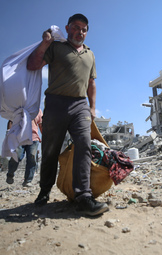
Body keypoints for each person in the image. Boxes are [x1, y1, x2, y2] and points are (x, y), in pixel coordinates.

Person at [27, 14, 108, 216]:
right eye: (76, 27)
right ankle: (44, 192)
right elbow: (33, 64)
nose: (80, 32)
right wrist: (46, 43)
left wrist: (92, 108)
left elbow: (91, 83)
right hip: (55, 103)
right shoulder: (56, 46)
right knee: (50, 150)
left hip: (80, 104)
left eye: (84, 29)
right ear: (67, 28)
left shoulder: (90, 54)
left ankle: (83, 196)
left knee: (84, 143)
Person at [6, 109, 43, 187]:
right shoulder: (19, 107)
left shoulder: (38, 110)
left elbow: (41, 124)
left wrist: (46, 135)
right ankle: (10, 174)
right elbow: (11, 121)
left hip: (33, 138)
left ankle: (27, 181)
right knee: (17, 156)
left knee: (32, 159)